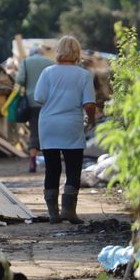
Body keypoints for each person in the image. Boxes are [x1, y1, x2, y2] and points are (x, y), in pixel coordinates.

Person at [35, 36, 96, 224]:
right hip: (71, 125)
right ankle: (69, 210)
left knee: (52, 168)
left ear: (58, 51)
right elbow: (89, 104)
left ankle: (53, 213)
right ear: (77, 53)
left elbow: (39, 97)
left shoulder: (47, 72)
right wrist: (91, 120)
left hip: (48, 125)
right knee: (73, 168)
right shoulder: (84, 75)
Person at [16, 46, 53, 172]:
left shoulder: (26, 62)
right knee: (48, 132)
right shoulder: (50, 63)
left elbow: (20, 80)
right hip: (48, 102)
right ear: (42, 53)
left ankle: (32, 163)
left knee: (34, 131)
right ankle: (49, 162)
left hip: (32, 102)